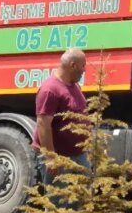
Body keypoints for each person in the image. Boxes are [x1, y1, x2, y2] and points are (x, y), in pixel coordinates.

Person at [33, 49, 91, 198]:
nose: (84, 70)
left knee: (82, 199)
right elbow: (43, 125)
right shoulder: (50, 90)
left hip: (78, 155)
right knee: (59, 202)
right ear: (72, 65)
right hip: (60, 157)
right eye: (82, 66)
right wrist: (52, 158)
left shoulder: (74, 86)